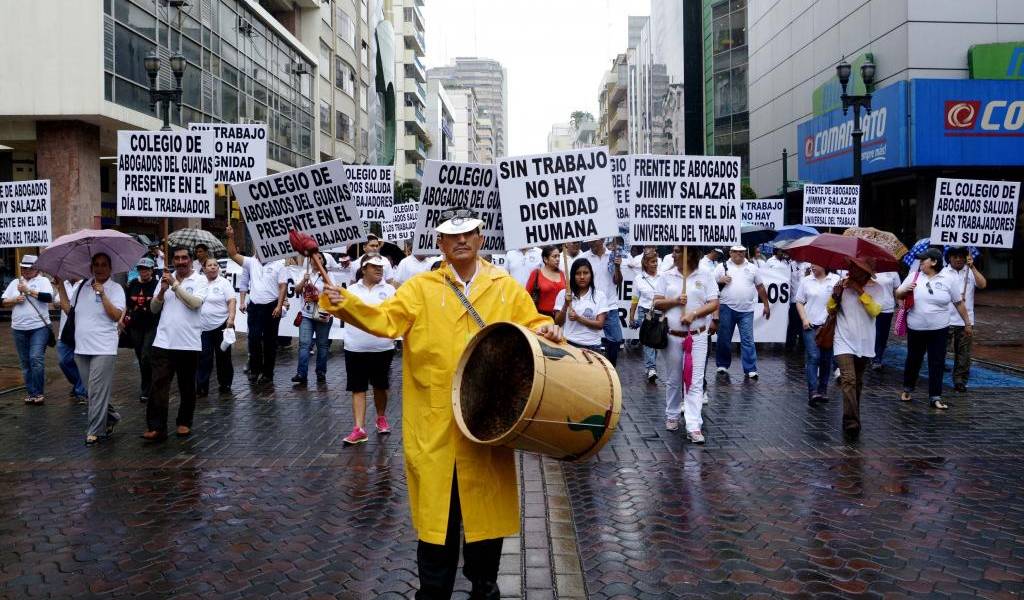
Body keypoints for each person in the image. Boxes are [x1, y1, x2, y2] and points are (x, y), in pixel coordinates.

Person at [319, 208, 561, 599]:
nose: (461, 240)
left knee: (485, 537)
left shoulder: (505, 286)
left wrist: (546, 327)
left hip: (486, 429)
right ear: (440, 243)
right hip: (435, 431)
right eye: (452, 235)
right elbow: (385, 321)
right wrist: (342, 302)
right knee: (437, 533)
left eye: (468, 233)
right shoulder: (421, 288)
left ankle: (484, 588)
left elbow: (531, 323)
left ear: (481, 238)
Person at [54, 254, 125, 445]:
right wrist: (60, 287)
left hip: (104, 348)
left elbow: (115, 315)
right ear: (91, 267)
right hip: (81, 347)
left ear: (110, 268)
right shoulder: (82, 286)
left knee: (95, 391)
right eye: (96, 265)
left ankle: (94, 431)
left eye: (103, 265)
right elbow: (70, 311)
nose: (100, 268)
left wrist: (102, 294)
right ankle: (111, 417)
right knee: (91, 391)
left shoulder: (115, 288)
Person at [653, 246, 719, 443]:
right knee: (674, 378)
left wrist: (694, 314)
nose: (673, 254)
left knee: (695, 380)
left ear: (690, 254)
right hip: (673, 336)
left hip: (697, 336)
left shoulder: (706, 275)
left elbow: (713, 303)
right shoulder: (667, 276)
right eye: (673, 250)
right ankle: (672, 414)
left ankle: (693, 425)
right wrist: (674, 301)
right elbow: (656, 303)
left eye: (678, 251)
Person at [144, 246, 208, 441]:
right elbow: (154, 309)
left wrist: (175, 286)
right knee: (158, 385)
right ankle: (157, 427)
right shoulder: (165, 278)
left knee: (187, 386)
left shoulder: (200, 280)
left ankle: (184, 422)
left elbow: (195, 303)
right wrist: (162, 292)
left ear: (190, 260)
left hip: (188, 343)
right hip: (163, 342)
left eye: (184, 258)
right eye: (177, 258)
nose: (180, 262)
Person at [896, 248, 972, 409]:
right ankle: (907, 388)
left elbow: (958, 303)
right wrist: (905, 290)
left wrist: (967, 323)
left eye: (924, 259)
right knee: (913, 360)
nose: (921, 262)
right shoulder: (913, 276)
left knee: (936, 362)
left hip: (939, 329)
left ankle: (935, 397)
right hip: (916, 328)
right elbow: (898, 294)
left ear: (934, 262)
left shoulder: (948, 279)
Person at [340, 255, 398, 444]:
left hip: (382, 348)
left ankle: (381, 417)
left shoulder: (389, 290)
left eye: (381, 267)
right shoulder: (351, 291)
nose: (379, 270)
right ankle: (359, 428)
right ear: (364, 269)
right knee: (358, 388)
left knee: (380, 386)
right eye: (374, 267)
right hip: (355, 347)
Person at [226, 225, 288, 386]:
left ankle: (267, 373)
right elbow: (233, 254)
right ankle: (255, 370)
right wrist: (231, 236)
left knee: (269, 342)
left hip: (272, 307)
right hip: (255, 307)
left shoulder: (278, 265)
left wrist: (279, 306)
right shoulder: (251, 262)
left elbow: (283, 287)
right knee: (253, 339)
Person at [829, 258, 885, 436]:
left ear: (866, 272)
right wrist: (835, 295)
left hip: (864, 341)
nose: (851, 272)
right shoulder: (842, 285)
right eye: (851, 268)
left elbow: (875, 311)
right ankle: (851, 422)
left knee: (858, 382)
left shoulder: (877, 288)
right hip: (843, 339)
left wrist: (859, 290)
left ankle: (854, 413)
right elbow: (830, 310)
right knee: (848, 379)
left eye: (856, 269)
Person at [3, 255, 54, 404]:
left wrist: (28, 291)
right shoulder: (15, 282)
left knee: (35, 358)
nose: (25, 271)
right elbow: (3, 301)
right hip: (18, 328)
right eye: (23, 268)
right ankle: (31, 393)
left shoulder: (43, 281)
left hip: (39, 327)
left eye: (29, 268)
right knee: (25, 362)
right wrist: (14, 300)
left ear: (36, 268)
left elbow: (49, 298)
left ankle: (38, 393)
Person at [714, 246, 770, 379]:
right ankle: (722, 364)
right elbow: (710, 284)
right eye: (735, 251)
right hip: (726, 307)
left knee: (747, 340)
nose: (738, 254)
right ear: (730, 253)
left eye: (741, 251)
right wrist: (719, 280)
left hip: (747, 309)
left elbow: (760, 287)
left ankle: (750, 368)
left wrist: (766, 305)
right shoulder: (721, 267)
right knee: (724, 338)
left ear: (745, 252)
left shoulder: (752, 267)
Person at [943, 246, 986, 391]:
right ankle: (936, 378)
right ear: (949, 258)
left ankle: (960, 381)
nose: (958, 259)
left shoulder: (970, 271)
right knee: (940, 351)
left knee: (964, 354)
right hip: (945, 319)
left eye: (961, 256)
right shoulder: (943, 273)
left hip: (966, 321)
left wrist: (972, 267)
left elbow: (982, 284)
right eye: (955, 256)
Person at [795, 264, 840, 404]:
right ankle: (813, 391)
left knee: (826, 359)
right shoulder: (806, 281)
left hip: (828, 327)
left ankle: (823, 390)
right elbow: (799, 301)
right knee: (814, 356)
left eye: (815, 264)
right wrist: (804, 319)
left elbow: (841, 302)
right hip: (810, 325)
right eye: (811, 264)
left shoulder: (836, 280)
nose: (812, 266)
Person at [292, 251, 333, 387]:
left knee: (322, 345)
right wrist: (304, 280)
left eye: (319, 258)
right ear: (309, 261)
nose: (316, 260)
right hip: (306, 315)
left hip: (322, 315)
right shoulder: (304, 273)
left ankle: (321, 371)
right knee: (304, 344)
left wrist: (318, 297)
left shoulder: (328, 275)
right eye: (313, 258)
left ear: (323, 261)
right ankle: (301, 373)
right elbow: (297, 290)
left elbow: (333, 293)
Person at [581, 237, 624, 365]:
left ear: (603, 239)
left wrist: (617, 267)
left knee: (616, 340)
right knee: (587, 341)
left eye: (595, 240)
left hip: (610, 305)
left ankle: (611, 367)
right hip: (590, 306)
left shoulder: (613, 256)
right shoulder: (583, 258)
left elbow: (618, 281)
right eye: (589, 240)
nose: (591, 242)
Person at [196, 257, 236, 397]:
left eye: (215, 265)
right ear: (204, 268)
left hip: (221, 325)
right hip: (203, 328)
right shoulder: (199, 282)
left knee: (223, 356)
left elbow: (231, 301)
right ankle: (201, 386)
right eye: (209, 265)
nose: (213, 267)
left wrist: (231, 318)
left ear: (218, 268)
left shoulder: (224, 283)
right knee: (203, 357)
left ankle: (225, 383)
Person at [124, 257, 160, 403]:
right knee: (140, 357)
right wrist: (122, 321)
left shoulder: (156, 284)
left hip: (151, 325)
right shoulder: (132, 284)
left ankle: (147, 388)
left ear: (152, 270)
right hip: (135, 325)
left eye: (147, 269)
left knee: (146, 355)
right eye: (141, 269)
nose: (144, 272)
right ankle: (147, 383)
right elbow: (127, 305)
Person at [554, 258, 609, 352]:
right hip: (569, 344)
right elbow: (558, 323)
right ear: (572, 275)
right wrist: (565, 305)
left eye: (586, 273)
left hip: (593, 346)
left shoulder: (600, 296)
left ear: (591, 275)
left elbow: (600, 324)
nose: (582, 277)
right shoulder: (563, 293)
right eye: (578, 273)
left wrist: (578, 318)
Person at [628, 251, 663, 383]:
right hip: (645, 312)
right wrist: (631, 315)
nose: (655, 264)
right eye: (652, 262)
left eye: (656, 261)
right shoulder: (639, 279)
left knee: (657, 339)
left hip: (659, 311)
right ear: (646, 263)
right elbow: (635, 298)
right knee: (648, 340)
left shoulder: (662, 276)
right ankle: (651, 368)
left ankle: (650, 365)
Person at [54, 276, 87, 404]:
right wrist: (60, 286)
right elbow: (57, 302)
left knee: (82, 362)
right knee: (64, 361)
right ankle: (81, 383)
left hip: (82, 332)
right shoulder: (65, 283)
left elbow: (69, 308)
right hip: (65, 331)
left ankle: (81, 390)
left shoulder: (86, 285)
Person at [870, 269, 901, 369]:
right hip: (869, 306)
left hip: (887, 308)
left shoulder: (892, 272)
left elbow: (897, 289)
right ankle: (868, 355)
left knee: (882, 335)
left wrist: (901, 305)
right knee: (871, 333)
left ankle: (877, 358)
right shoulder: (869, 268)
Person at [524, 245, 566, 318]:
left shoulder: (562, 274)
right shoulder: (536, 273)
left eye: (559, 256)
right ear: (545, 259)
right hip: (542, 316)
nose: (558, 259)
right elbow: (526, 296)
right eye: (554, 256)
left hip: (560, 316)